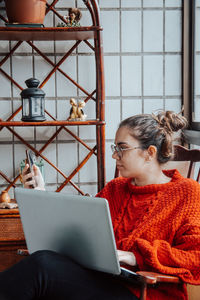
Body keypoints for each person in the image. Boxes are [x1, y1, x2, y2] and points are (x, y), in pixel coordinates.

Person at [0, 110, 200, 300]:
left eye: (121, 148)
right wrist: (39, 193)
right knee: (43, 264)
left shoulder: (187, 192)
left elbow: (195, 257)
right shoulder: (115, 189)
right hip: (103, 283)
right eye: (115, 149)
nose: (115, 156)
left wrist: (136, 256)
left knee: (42, 266)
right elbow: (78, 232)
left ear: (150, 152)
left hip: (144, 293)